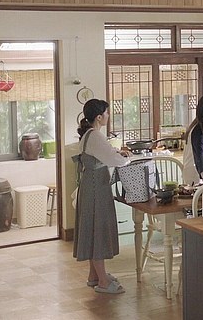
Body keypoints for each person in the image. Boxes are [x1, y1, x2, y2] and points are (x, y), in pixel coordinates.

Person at [73, 98, 129, 294]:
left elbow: (105, 153)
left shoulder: (89, 134)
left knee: (92, 229)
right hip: (97, 188)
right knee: (98, 230)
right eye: (106, 113)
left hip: (91, 186)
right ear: (99, 117)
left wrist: (116, 152)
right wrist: (126, 158)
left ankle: (94, 275)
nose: (108, 116)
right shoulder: (95, 136)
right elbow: (114, 159)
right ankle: (103, 282)